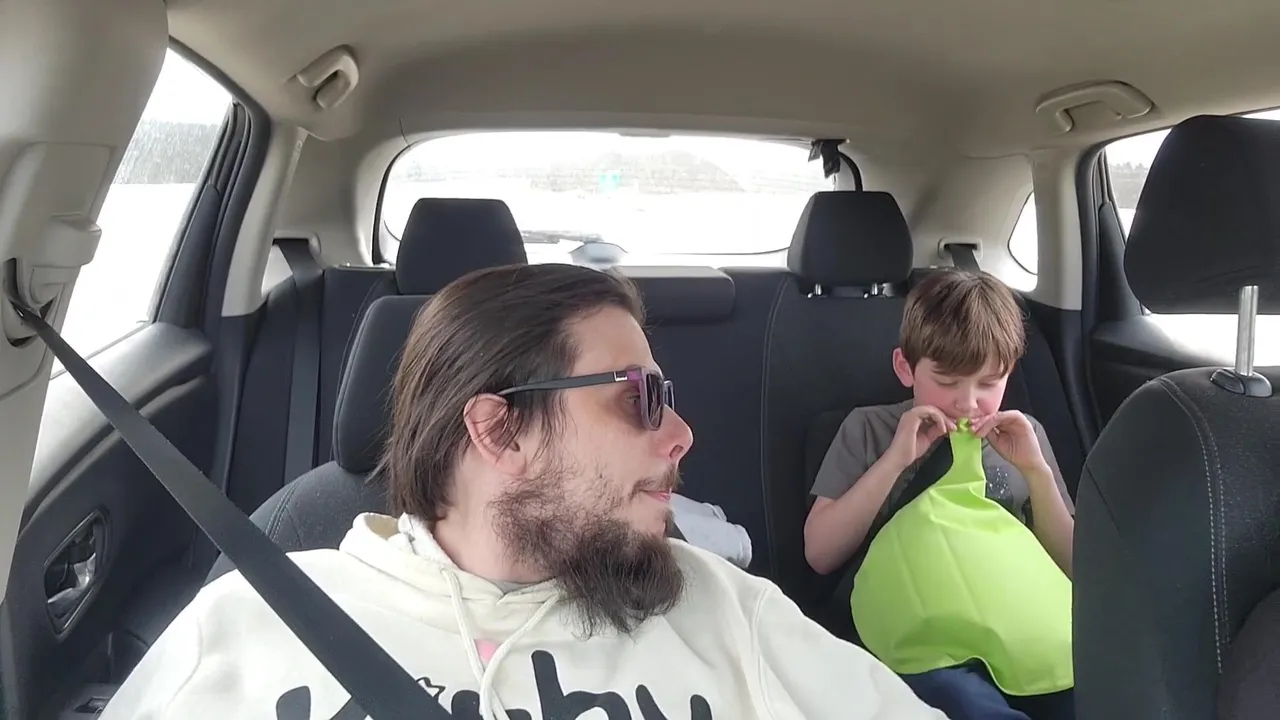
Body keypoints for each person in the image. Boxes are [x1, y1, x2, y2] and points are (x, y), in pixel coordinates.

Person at [102, 263, 943, 719]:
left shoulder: (726, 612)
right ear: (499, 431)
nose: (683, 435)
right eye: (640, 398)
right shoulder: (249, 624)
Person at [803, 269, 1076, 720]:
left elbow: (1073, 565)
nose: (968, 402)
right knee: (964, 701)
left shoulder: (1025, 437)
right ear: (905, 368)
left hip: (1022, 628)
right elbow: (820, 553)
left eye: (988, 383)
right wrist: (894, 461)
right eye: (948, 381)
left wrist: (1036, 471)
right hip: (923, 640)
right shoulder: (869, 430)